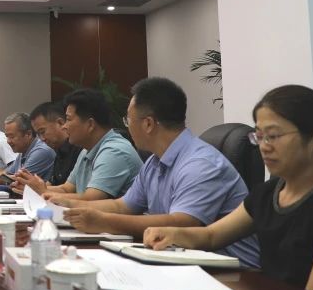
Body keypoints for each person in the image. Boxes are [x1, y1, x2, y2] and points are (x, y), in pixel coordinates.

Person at [146, 85, 313, 290]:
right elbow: (212, 236)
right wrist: (172, 234)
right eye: (259, 136)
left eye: (273, 136)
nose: (264, 146)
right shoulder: (269, 193)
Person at [56, 77, 260, 268]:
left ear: (148, 124)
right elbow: (123, 205)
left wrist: (104, 221)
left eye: (128, 120)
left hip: (235, 275)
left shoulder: (200, 164)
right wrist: (68, 205)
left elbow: (182, 223)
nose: (127, 127)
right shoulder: (154, 162)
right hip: (180, 260)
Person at [16, 89, 142, 203]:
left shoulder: (114, 151)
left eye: (68, 119)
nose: (65, 126)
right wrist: (34, 187)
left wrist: (44, 192)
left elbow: (91, 199)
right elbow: (67, 188)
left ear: (90, 124)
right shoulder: (86, 150)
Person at [0, 112, 55, 184]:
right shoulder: (22, 151)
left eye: (12, 137)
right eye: (7, 136)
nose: (8, 141)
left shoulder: (41, 151)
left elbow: (18, 181)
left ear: (28, 134)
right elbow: (7, 175)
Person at [29, 101, 80, 185]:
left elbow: (68, 189)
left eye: (42, 132)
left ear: (60, 123)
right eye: (38, 134)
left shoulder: (79, 148)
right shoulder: (58, 150)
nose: (42, 139)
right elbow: (53, 184)